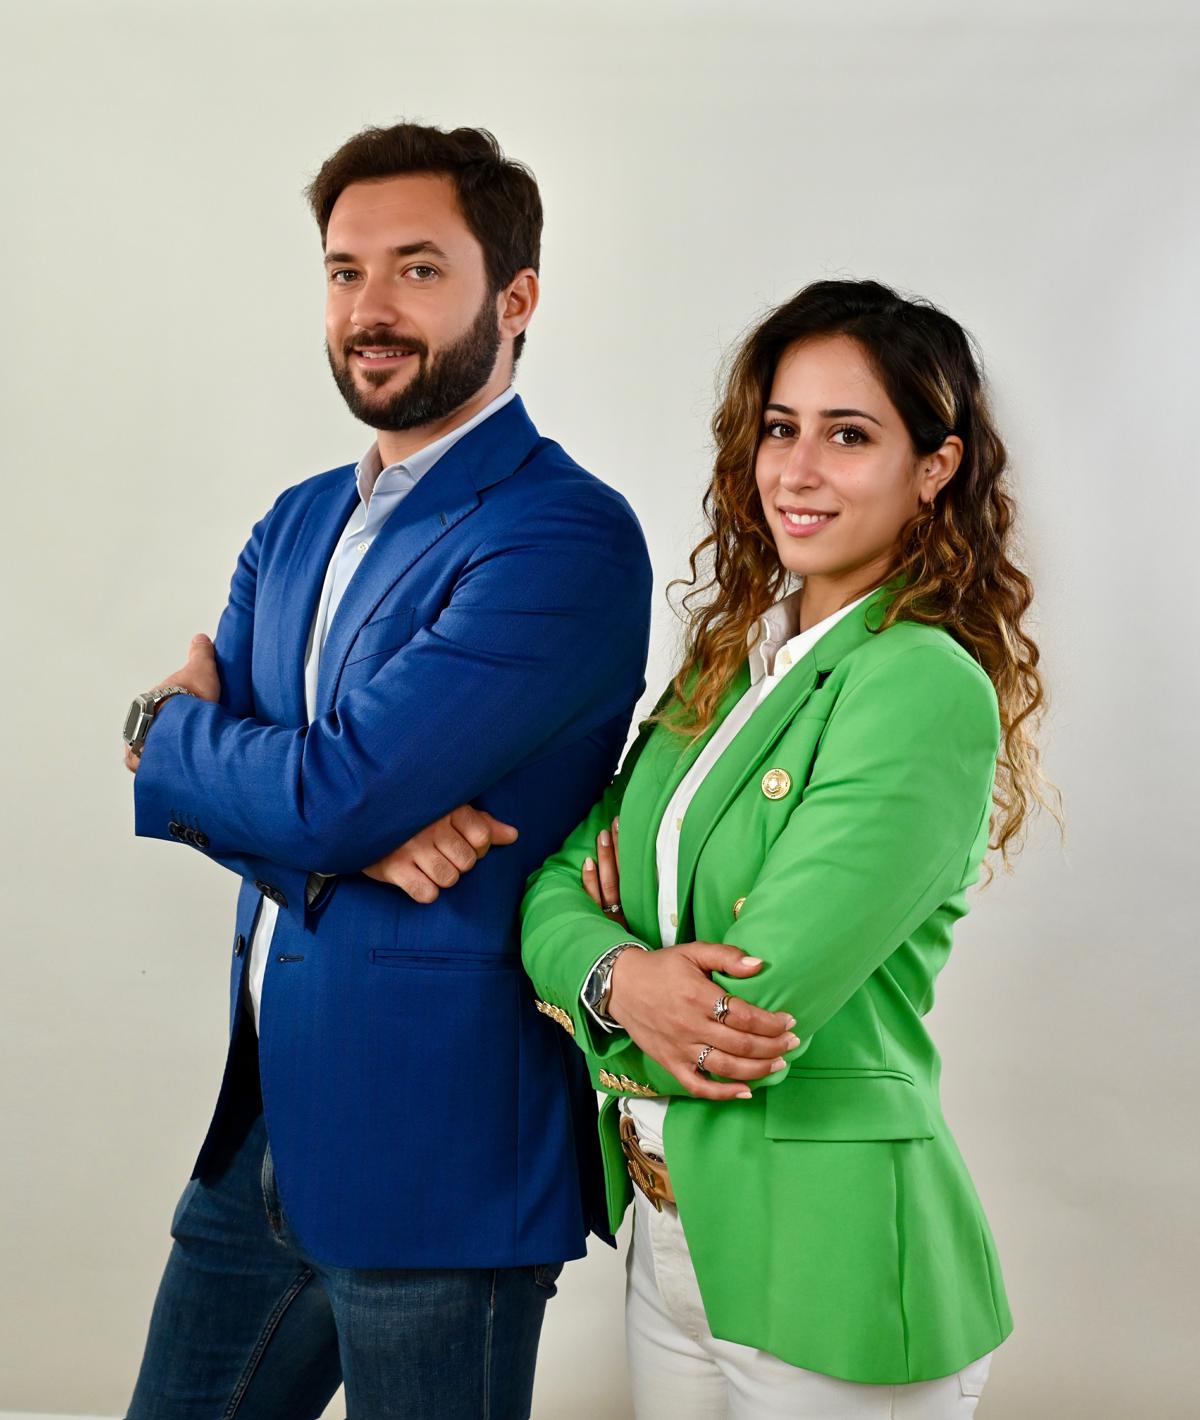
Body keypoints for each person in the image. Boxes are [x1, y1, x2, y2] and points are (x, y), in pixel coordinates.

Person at [119, 122, 652, 1419]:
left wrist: (166, 734)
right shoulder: (296, 520)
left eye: (418, 269)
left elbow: (323, 792)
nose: (370, 308)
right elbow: (324, 805)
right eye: (345, 270)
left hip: (439, 1144)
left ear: (514, 299)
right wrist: (328, 818)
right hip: (261, 1128)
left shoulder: (563, 533)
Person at [518, 279, 1051, 1417]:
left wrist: (593, 975)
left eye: (848, 435)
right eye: (779, 428)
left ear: (936, 467)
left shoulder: (918, 684)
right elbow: (556, 878)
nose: (797, 471)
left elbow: (737, 1022)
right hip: (672, 1241)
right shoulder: (728, 664)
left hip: (832, 1258)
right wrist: (620, 974)